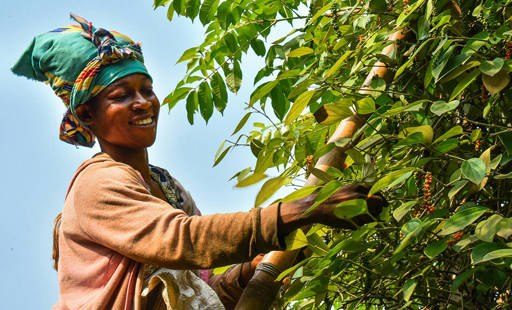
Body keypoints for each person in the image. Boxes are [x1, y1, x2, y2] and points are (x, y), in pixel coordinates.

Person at [12, 14, 385, 310]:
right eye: (122, 95)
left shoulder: (168, 188)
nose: (143, 103)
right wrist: (304, 210)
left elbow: (202, 289)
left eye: (147, 89)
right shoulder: (97, 183)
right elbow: (182, 240)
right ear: (87, 115)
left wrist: (249, 272)